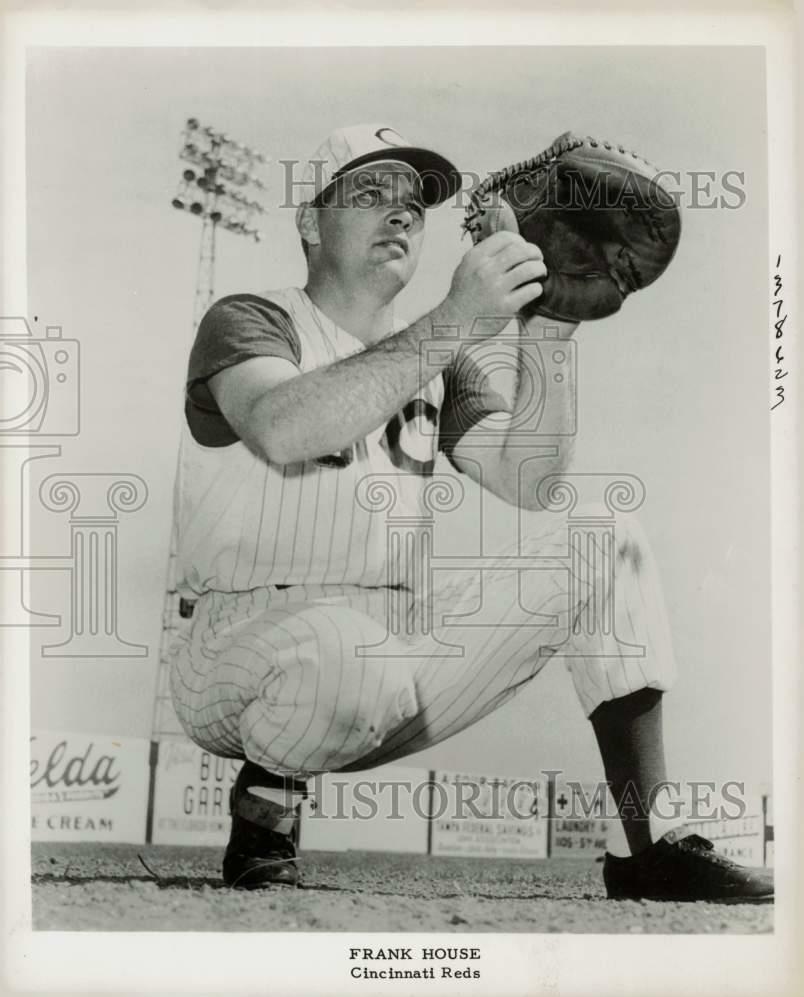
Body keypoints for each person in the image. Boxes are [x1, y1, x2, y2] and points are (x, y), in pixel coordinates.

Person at [169, 123, 773, 901]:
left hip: (388, 653)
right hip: (237, 651)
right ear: (311, 222)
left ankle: (649, 842)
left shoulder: (434, 356)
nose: (401, 213)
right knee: (349, 655)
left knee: (603, 538)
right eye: (371, 192)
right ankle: (265, 809)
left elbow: (530, 479)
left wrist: (552, 320)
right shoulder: (253, 317)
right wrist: (458, 316)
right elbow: (285, 427)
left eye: (414, 204)